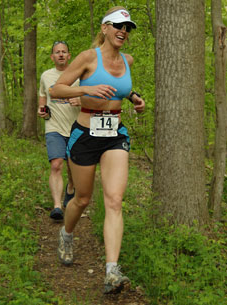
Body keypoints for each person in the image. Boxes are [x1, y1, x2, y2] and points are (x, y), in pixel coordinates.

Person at [50, 6, 145, 294]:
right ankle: (66, 234)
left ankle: (111, 272)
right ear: (104, 28)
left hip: (115, 134)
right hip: (85, 134)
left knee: (114, 200)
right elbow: (57, 89)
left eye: (127, 28)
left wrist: (134, 97)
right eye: (117, 25)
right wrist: (85, 90)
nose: (123, 31)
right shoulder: (89, 58)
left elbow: (121, 88)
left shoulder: (127, 60)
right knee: (82, 199)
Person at [38, 41, 81, 221]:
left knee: (73, 166)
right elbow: (42, 94)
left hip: (76, 127)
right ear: (52, 57)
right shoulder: (46, 76)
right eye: (57, 52)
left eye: (64, 51)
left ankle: (71, 186)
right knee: (56, 164)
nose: (61, 54)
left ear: (69, 55)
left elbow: (90, 95)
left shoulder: (79, 75)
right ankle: (57, 206)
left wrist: (80, 100)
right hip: (53, 127)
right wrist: (42, 108)